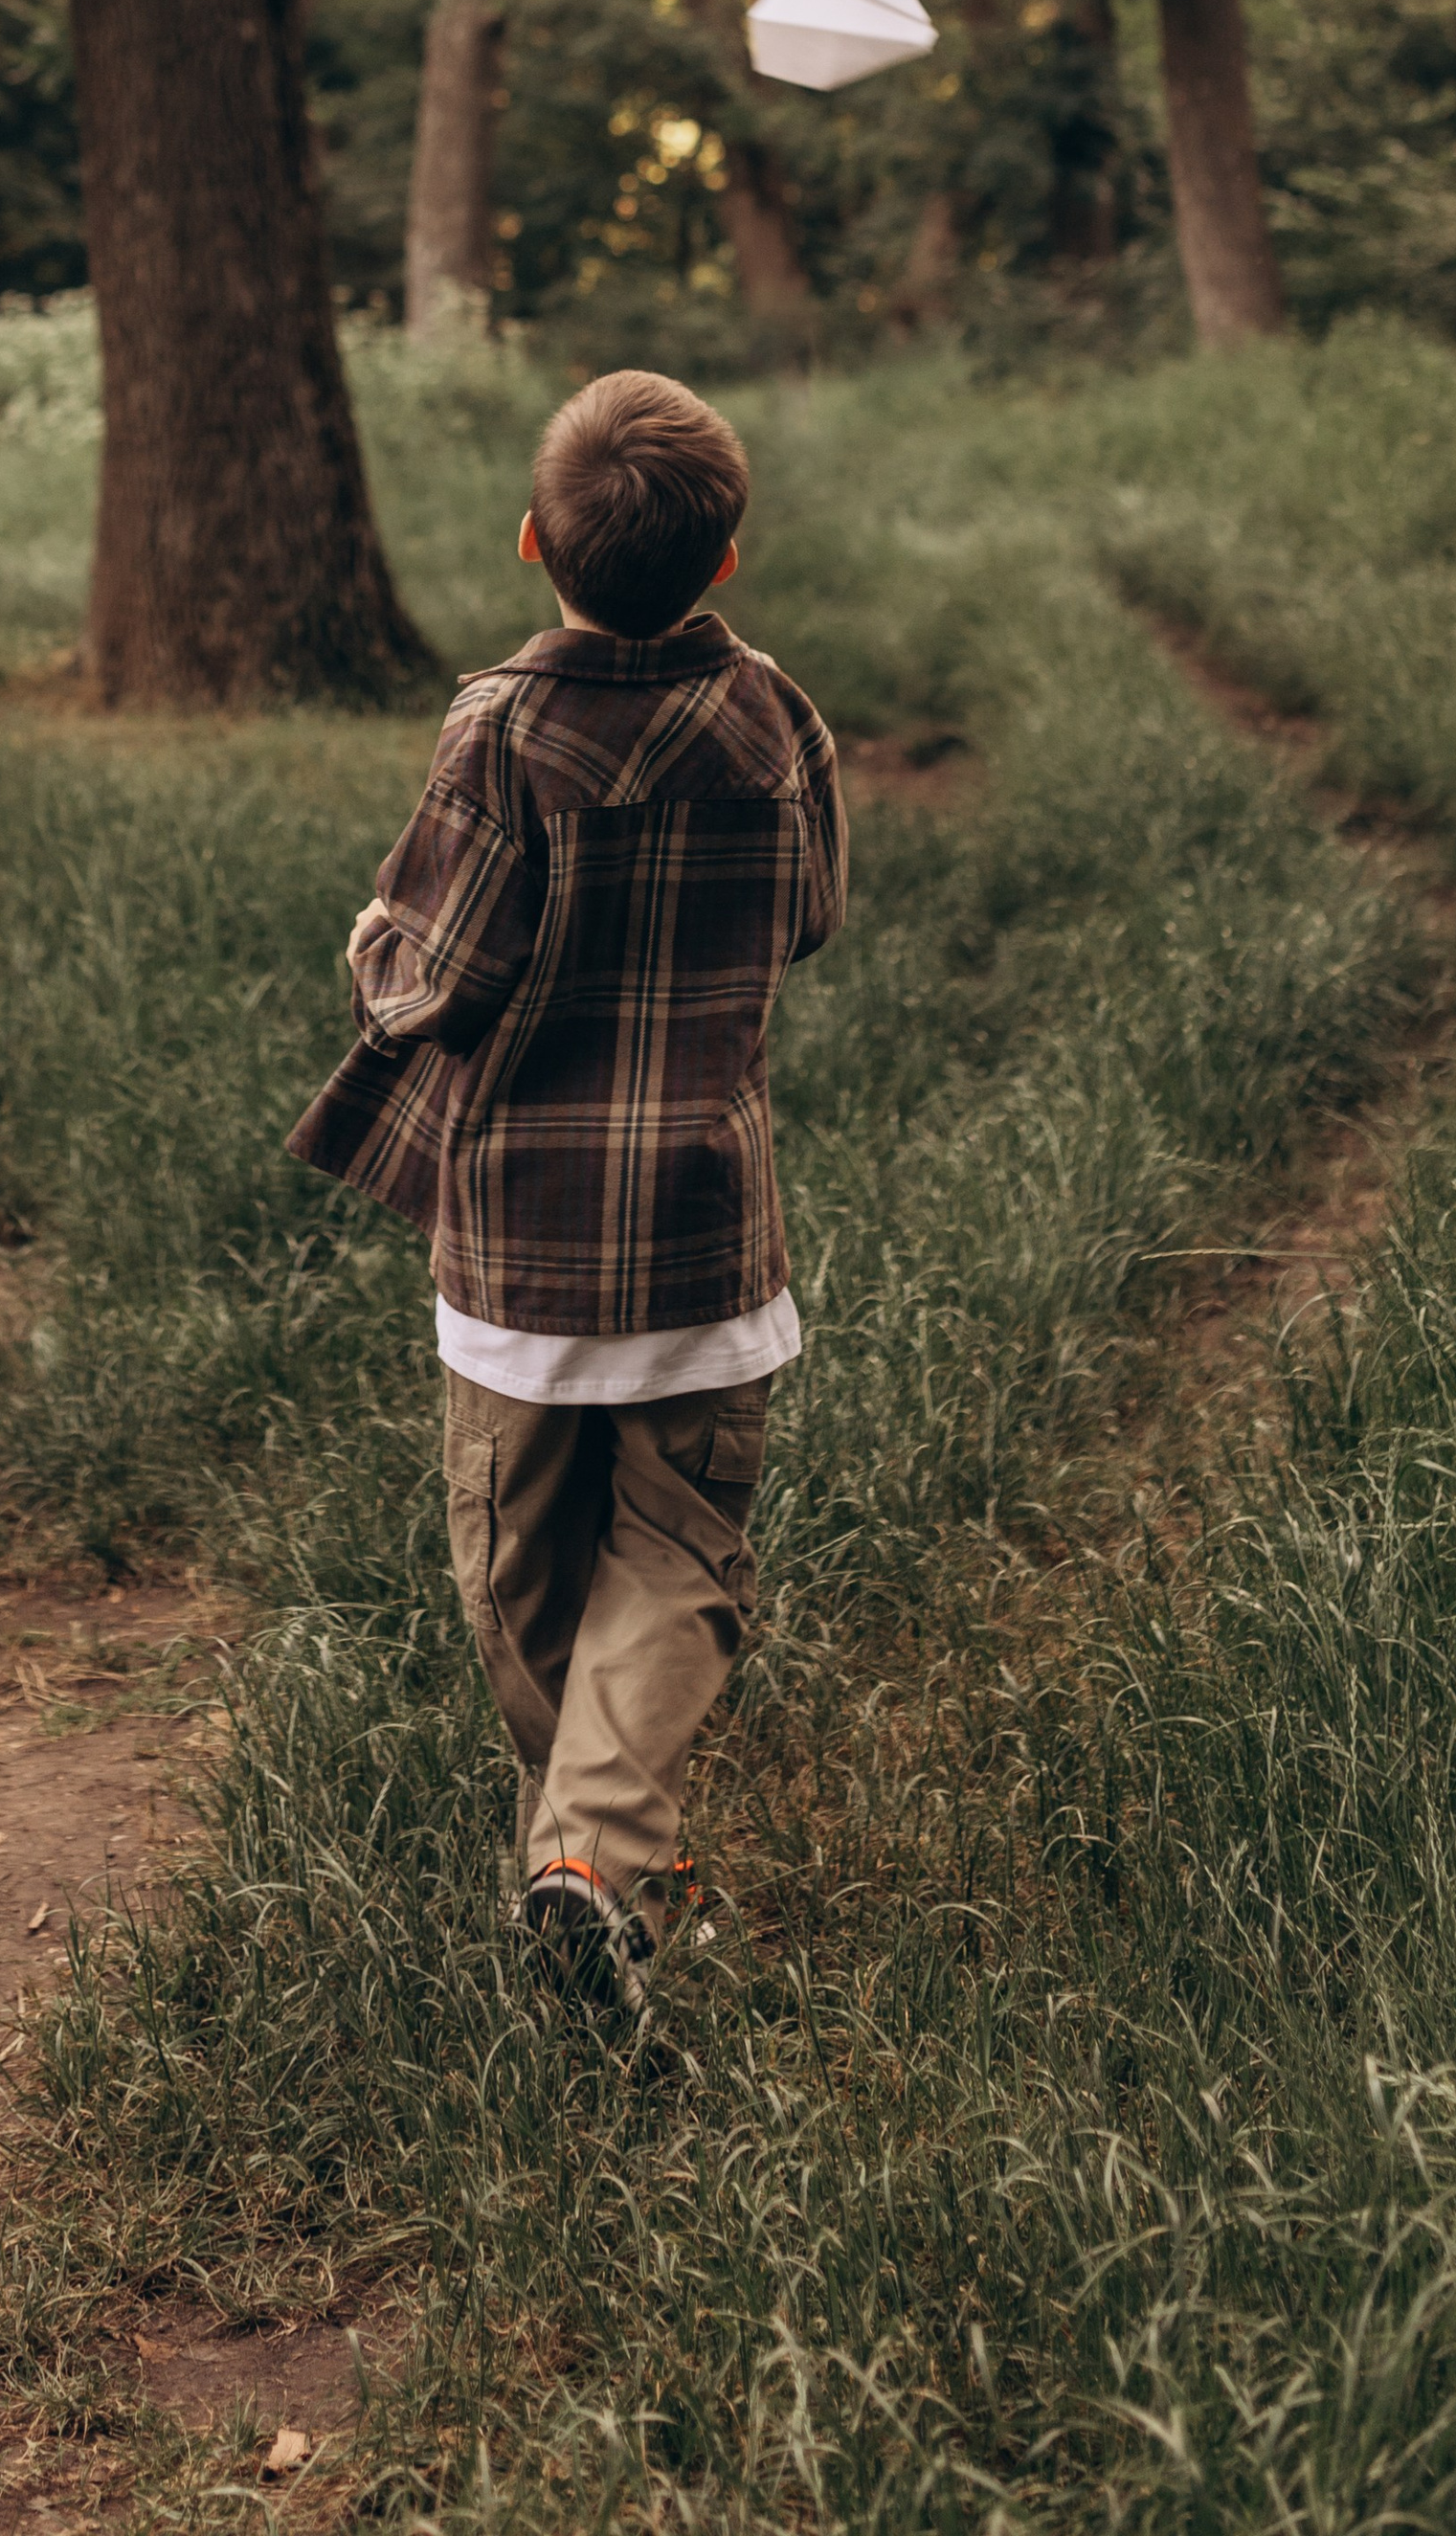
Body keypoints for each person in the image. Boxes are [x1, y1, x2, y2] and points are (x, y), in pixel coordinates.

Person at [287, 369, 846, 2011]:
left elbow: (430, 975)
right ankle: (599, 1859)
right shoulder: (776, 714)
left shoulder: (503, 728)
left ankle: (588, 1852)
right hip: (703, 1232)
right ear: (727, 562)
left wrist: (370, 951)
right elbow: (807, 914)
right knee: (679, 1557)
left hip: (521, 1248)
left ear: (533, 539)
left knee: (520, 1569)